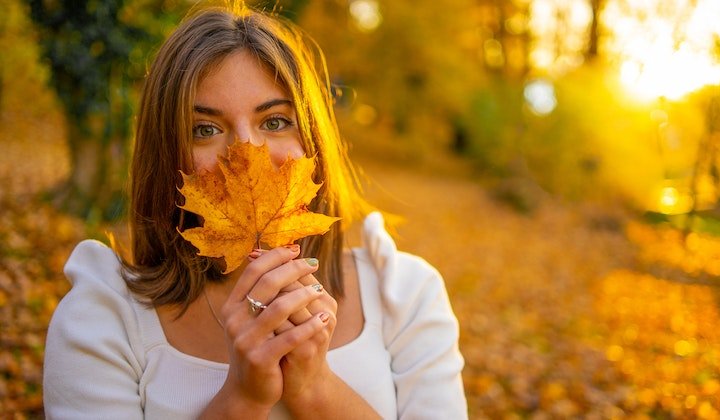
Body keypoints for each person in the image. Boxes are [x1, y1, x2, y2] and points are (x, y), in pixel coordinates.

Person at [43, 4, 467, 419]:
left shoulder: (405, 295)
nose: (246, 153)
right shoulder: (103, 319)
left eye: (275, 121)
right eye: (205, 130)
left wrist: (316, 389)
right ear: (167, 158)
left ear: (312, 143)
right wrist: (242, 399)